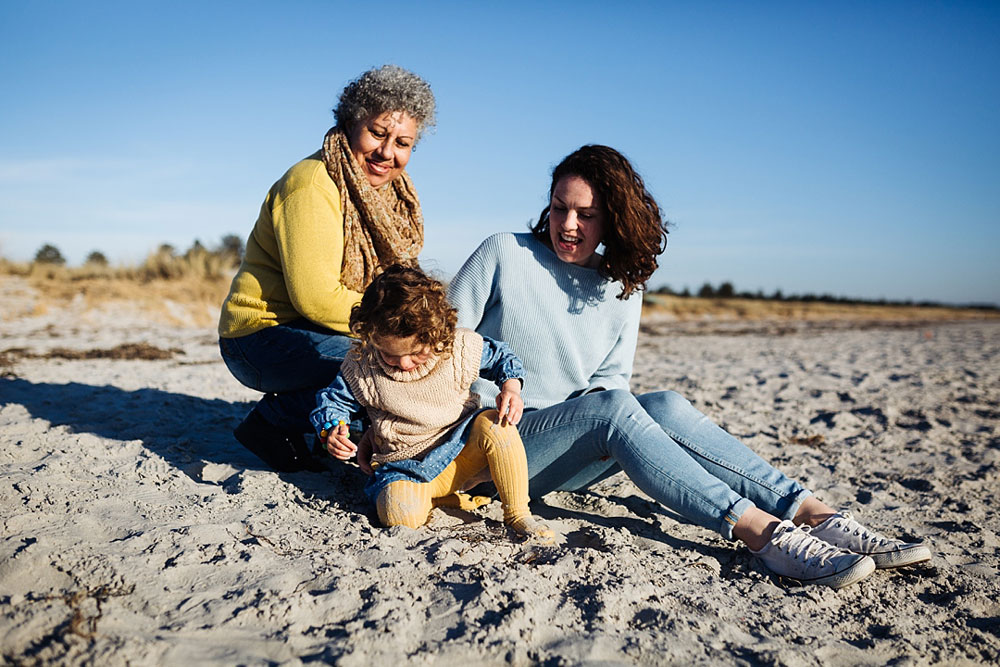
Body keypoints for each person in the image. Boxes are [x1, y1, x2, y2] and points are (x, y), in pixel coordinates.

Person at [446, 144, 931, 587]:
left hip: (563, 454)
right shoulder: (504, 252)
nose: (567, 224)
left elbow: (608, 384)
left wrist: (610, 434)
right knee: (615, 409)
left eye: (585, 214)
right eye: (559, 208)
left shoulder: (619, 287)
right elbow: (438, 346)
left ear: (612, 219)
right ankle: (763, 535)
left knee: (666, 406)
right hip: (489, 451)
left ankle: (812, 514)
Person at [218, 65, 435, 472]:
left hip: (317, 331)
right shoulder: (312, 184)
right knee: (386, 371)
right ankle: (270, 422)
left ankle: (316, 424)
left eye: (403, 142)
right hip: (260, 337)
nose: (388, 153)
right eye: (377, 133)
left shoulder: (390, 194)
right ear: (350, 122)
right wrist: (398, 333)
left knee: (416, 365)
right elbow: (316, 298)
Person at [310, 265, 553, 541]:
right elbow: (333, 401)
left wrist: (511, 388)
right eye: (389, 354)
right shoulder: (361, 365)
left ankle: (518, 514)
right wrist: (332, 429)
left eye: (415, 353)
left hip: (461, 450)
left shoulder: (457, 347)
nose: (403, 364)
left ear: (435, 334)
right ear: (370, 336)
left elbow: (502, 358)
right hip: (405, 466)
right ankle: (442, 501)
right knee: (397, 512)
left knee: (497, 424)